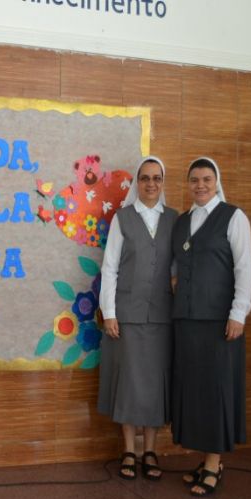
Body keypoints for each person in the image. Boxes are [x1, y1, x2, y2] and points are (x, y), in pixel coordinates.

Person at [171, 157, 251, 497]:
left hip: (220, 322)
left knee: (216, 392)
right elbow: (176, 262)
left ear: (217, 182)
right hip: (187, 321)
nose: (200, 185)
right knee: (195, 392)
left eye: (206, 179)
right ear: (188, 184)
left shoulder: (234, 217)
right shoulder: (182, 221)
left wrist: (239, 314)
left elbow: (244, 268)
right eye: (194, 180)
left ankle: (213, 464)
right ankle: (205, 460)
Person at [98, 156, 178, 481]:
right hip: (127, 315)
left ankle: (150, 451)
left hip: (162, 317)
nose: (151, 183)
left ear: (162, 182)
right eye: (145, 178)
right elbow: (109, 268)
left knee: (155, 385)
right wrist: (109, 312)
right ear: (137, 182)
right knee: (130, 383)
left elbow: (177, 267)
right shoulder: (123, 218)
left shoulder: (174, 219)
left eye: (157, 178)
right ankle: (129, 450)